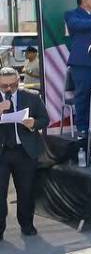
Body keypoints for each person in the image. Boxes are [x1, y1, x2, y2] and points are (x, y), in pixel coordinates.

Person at [0, 67, 48, 238]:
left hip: (24, 151)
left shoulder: (31, 96)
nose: (8, 89)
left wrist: (34, 123)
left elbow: (45, 119)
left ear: (18, 81)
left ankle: (27, 225)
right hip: (2, 153)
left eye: (12, 85)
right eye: (4, 86)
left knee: (26, 191)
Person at [64, 0, 91, 138]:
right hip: (83, 64)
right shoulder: (72, 15)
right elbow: (77, 25)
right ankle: (82, 128)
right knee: (83, 96)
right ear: (84, 1)